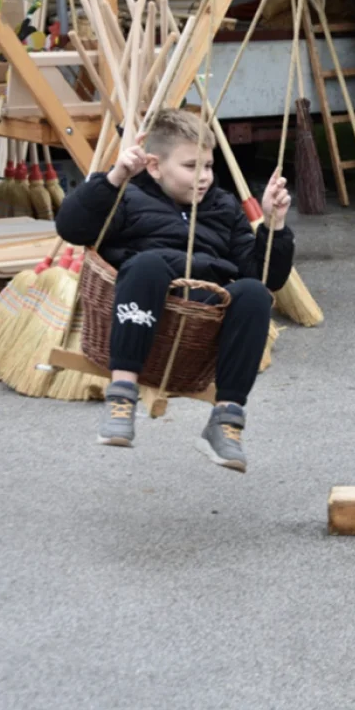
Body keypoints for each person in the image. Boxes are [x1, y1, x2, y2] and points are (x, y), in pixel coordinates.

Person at [55, 109, 295, 473]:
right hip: (144, 301)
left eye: (208, 166)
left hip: (202, 316)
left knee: (254, 294)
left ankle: (226, 418)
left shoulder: (223, 206)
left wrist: (273, 226)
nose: (204, 177)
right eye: (191, 167)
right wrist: (115, 177)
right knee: (148, 264)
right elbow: (72, 228)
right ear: (154, 166)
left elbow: (265, 276)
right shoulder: (127, 197)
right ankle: (122, 397)